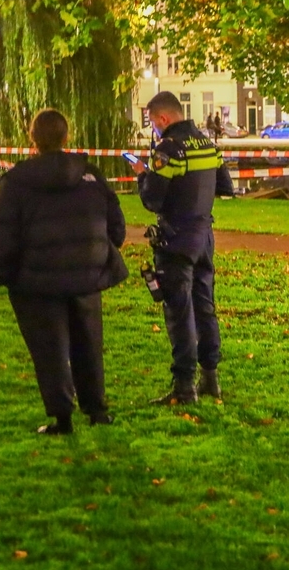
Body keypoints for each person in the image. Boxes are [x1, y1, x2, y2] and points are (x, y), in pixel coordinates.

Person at [0, 109, 128, 435]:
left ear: (33, 139)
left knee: (49, 350)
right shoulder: (91, 175)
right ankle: (97, 410)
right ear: (67, 137)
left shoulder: (17, 182)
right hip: (87, 275)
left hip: (37, 280)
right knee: (89, 343)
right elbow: (117, 228)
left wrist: (8, 273)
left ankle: (61, 417)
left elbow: (5, 234)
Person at [128, 91, 234, 404]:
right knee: (204, 305)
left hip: (175, 240)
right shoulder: (207, 144)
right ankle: (210, 378)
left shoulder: (168, 150)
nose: (153, 130)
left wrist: (143, 175)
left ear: (163, 118)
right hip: (204, 237)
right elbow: (225, 187)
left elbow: (152, 200)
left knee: (179, 311)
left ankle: (184, 387)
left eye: (152, 123)